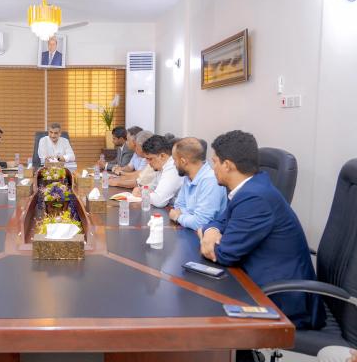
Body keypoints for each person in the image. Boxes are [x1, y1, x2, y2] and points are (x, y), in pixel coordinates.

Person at [198, 130, 325, 329]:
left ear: (228, 165)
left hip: (281, 300)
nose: (212, 168)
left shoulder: (255, 197)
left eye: (214, 162)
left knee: (204, 314)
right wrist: (210, 231)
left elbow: (223, 254)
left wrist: (207, 237)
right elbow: (218, 221)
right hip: (255, 281)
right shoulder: (248, 188)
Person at [168, 137, 227, 231]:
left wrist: (178, 217)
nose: (173, 164)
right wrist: (192, 216)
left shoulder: (210, 181)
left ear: (183, 161)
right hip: (190, 231)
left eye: (174, 160)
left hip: (204, 236)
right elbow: (178, 206)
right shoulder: (188, 177)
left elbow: (200, 223)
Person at [131, 134, 183, 207]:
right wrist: (141, 189)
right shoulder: (161, 166)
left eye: (150, 159)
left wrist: (142, 194)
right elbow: (153, 187)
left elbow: (159, 201)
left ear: (162, 156)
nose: (148, 163)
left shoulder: (172, 167)